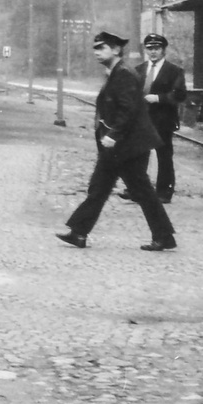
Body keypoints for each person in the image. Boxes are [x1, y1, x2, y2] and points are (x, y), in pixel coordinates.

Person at [57, 30, 176, 251]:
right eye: (95, 48)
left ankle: (164, 236)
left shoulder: (124, 74)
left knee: (140, 191)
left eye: (101, 48)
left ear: (116, 49)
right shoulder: (115, 73)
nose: (97, 52)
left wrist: (113, 135)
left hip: (128, 145)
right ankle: (79, 233)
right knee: (99, 188)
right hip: (121, 145)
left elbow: (128, 109)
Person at [136, 33, 188, 201]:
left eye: (157, 48)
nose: (153, 52)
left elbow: (179, 95)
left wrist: (159, 98)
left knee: (164, 156)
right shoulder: (139, 70)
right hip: (142, 120)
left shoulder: (174, 71)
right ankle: (137, 190)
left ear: (163, 50)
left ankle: (164, 192)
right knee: (138, 154)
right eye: (149, 49)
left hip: (163, 120)